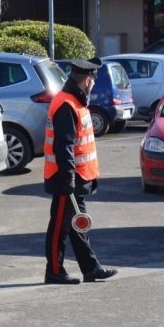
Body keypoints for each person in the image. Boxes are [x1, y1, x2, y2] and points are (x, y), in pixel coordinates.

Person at [44, 57, 118, 285]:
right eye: (94, 79)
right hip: (67, 177)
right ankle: (54, 271)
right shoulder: (67, 104)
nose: (94, 83)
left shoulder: (76, 102)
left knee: (77, 224)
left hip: (77, 176)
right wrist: (68, 177)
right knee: (60, 226)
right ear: (87, 81)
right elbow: (63, 145)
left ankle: (90, 268)